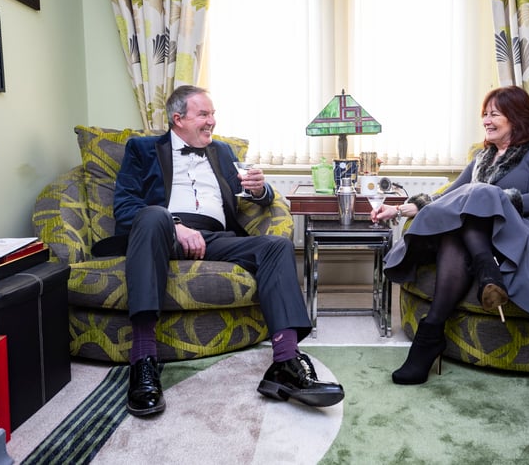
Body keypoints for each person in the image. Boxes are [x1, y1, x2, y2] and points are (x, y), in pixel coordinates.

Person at [94, 85, 345, 416]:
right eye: (204, 114)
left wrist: (260, 189)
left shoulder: (223, 152)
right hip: (160, 232)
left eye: (213, 114)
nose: (212, 121)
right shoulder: (142, 149)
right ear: (178, 118)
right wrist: (175, 226)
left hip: (214, 236)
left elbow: (260, 196)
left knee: (277, 246)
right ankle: (143, 361)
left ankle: (285, 363)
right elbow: (125, 206)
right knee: (153, 215)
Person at [371, 85, 529, 385]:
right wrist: (398, 210)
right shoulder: (483, 157)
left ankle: (432, 334)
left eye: (494, 113)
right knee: (459, 224)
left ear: (517, 117)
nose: (486, 120)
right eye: (485, 114)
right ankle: (459, 304)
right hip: (476, 236)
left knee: (477, 198)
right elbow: (447, 196)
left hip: (520, 228)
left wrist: (493, 197)